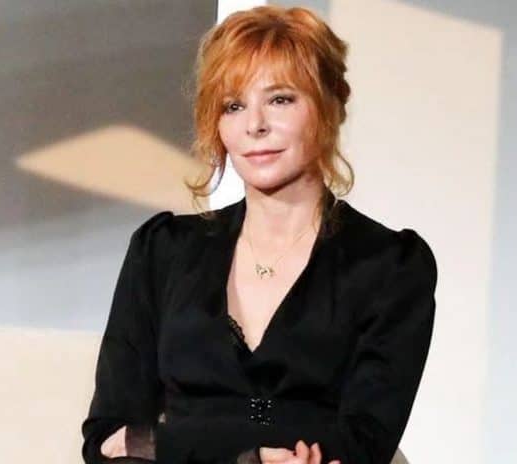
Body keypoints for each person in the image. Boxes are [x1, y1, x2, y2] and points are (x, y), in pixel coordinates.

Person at [81, 5, 437, 464]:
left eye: (280, 99)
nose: (255, 125)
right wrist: (254, 457)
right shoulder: (163, 250)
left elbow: (366, 441)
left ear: (329, 107)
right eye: (233, 106)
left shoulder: (390, 265)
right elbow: (106, 438)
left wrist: (167, 444)